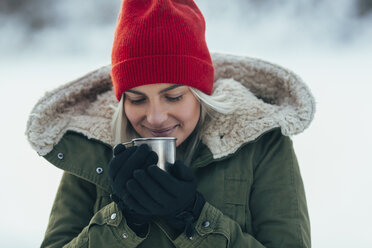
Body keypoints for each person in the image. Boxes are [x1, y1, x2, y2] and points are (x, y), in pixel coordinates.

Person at [26, 0, 315, 247]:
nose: (155, 117)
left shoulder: (261, 143)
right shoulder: (93, 146)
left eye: (173, 96)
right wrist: (122, 220)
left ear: (201, 94)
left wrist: (193, 217)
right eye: (137, 100)